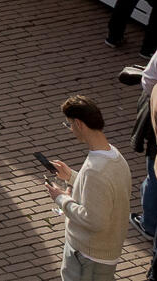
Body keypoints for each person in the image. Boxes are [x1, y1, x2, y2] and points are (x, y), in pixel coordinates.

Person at [43, 93, 131, 281]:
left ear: (79, 124)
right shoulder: (114, 155)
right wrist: (71, 177)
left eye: (69, 124)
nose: (70, 129)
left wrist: (61, 198)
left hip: (88, 255)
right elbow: (103, 192)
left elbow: (94, 221)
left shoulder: (95, 170)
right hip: (102, 251)